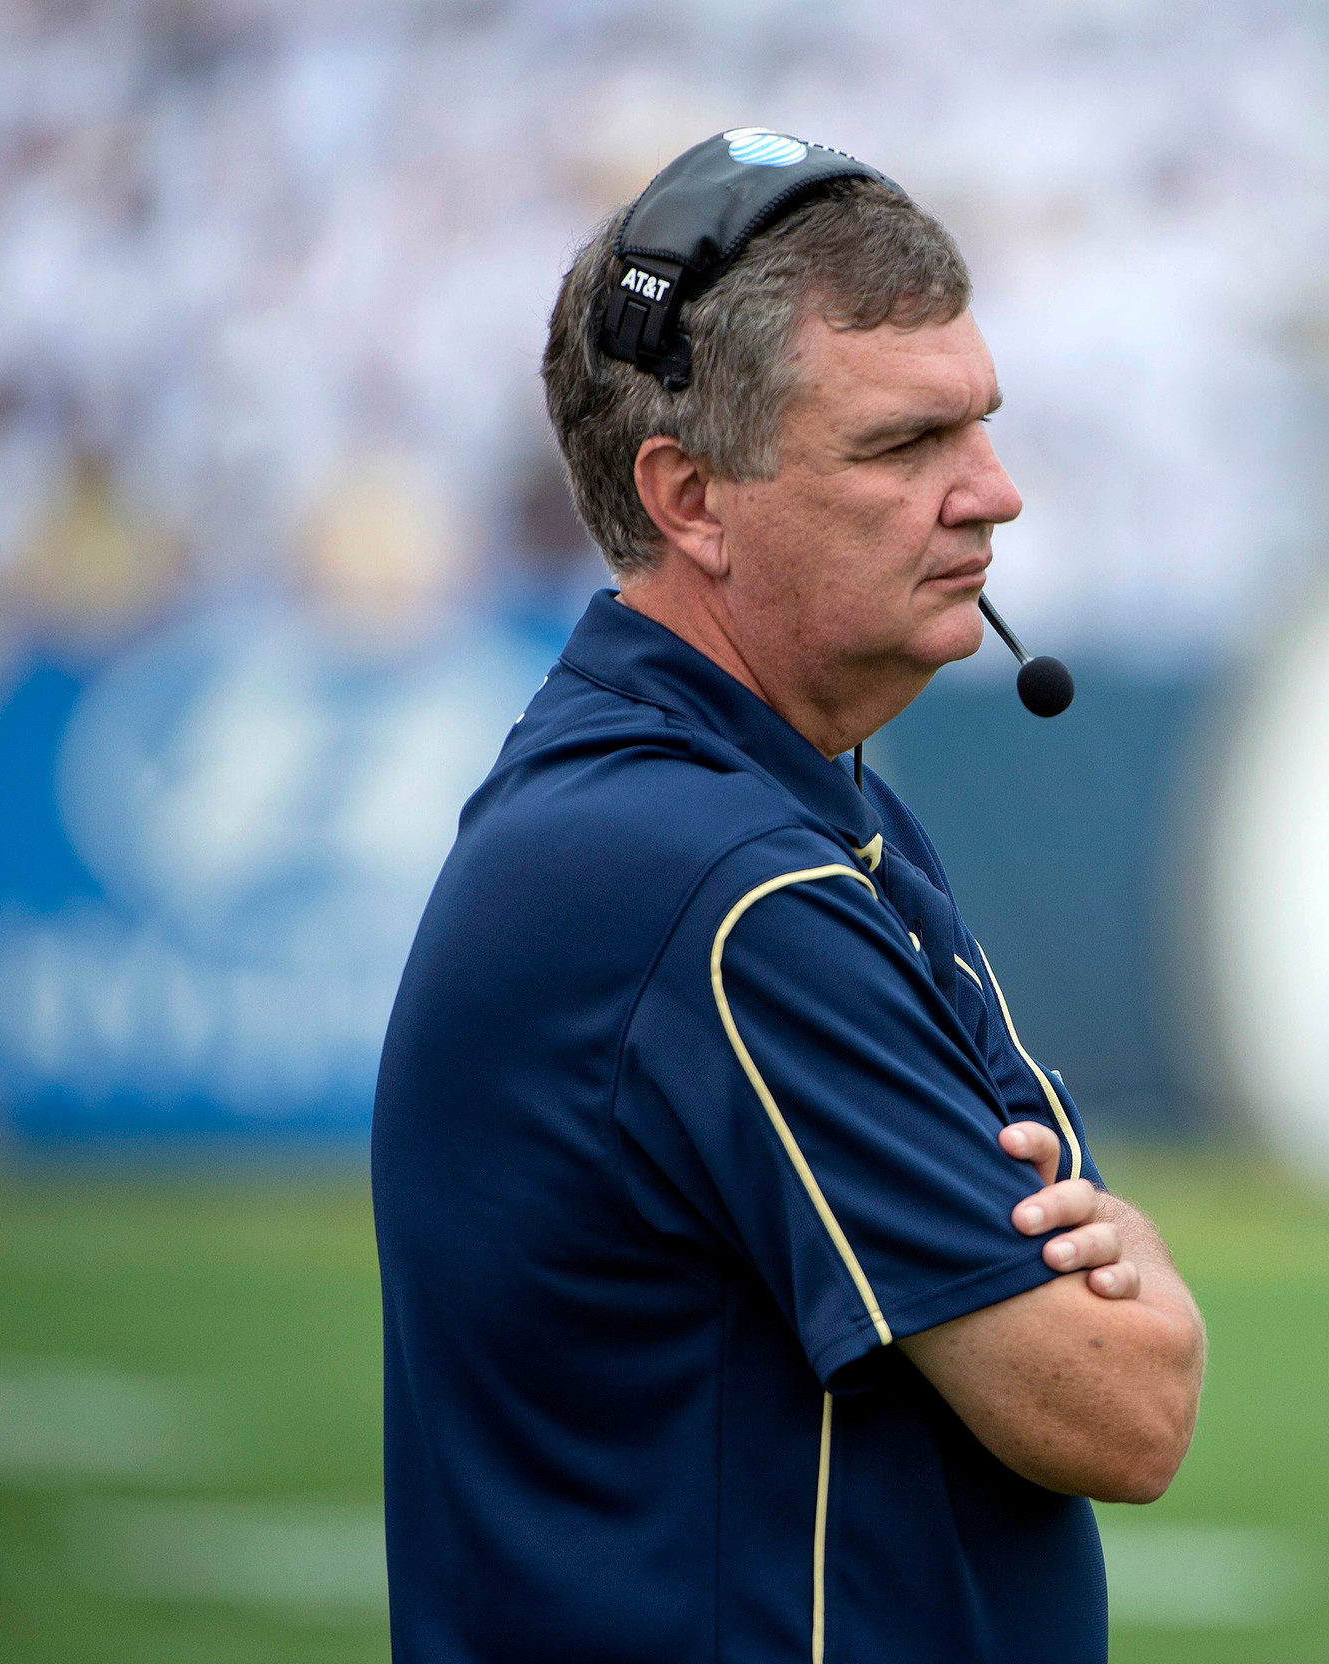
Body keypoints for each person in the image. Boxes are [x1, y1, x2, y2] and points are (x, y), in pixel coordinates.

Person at [371, 147, 1205, 1664]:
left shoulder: (749, 808)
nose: (995, 493)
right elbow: (1119, 1406)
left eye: (982, 422)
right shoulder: (721, 883)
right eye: (907, 444)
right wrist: (1146, 1273)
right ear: (691, 498)